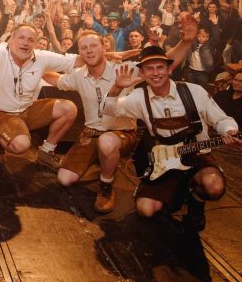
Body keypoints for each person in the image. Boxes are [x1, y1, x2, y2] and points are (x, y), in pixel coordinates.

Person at [43, 16, 196, 213]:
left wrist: (186, 41)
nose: (89, 51)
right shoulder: (79, 75)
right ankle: (103, 159)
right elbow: (56, 79)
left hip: (121, 133)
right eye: (84, 48)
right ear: (79, 52)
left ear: (104, 47)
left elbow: (165, 65)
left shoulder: (123, 69)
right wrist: (37, 68)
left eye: (93, 46)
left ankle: (106, 184)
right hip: (91, 133)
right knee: (65, 179)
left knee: (107, 142)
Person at [106, 46, 242, 231]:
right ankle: (178, 193)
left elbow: (221, 119)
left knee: (214, 186)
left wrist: (229, 130)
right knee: (145, 210)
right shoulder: (139, 96)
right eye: (149, 69)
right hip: (163, 160)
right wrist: (117, 87)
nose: (155, 73)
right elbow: (109, 110)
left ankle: (196, 201)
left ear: (170, 69)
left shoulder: (194, 92)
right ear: (142, 73)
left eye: (160, 67)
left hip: (196, 156)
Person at [0, 21, 79, 170]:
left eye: (30, 40)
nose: (26, 43)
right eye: (21, 38)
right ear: (12, 38)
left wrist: (102, 55)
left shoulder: (41, 57)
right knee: (21, 145)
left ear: (35, 43)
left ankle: (46, 152)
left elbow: (74, 61)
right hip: (2, 113)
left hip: (28, 109)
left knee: (69, 109)